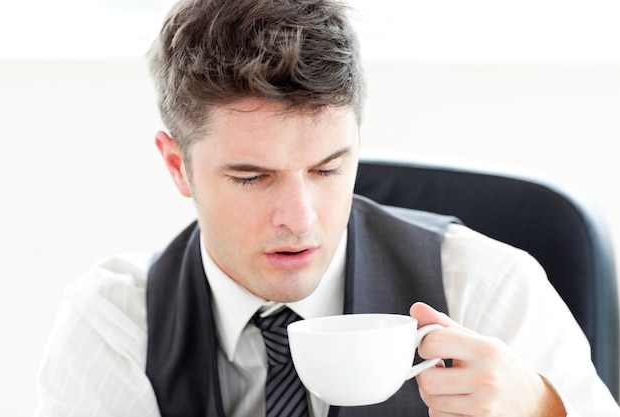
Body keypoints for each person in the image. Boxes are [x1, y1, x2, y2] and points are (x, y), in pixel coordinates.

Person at [34, 0, 620, 416]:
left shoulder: (487, 285)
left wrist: (544, 410)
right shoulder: (116, 321)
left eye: (327, 169)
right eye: (251, 177)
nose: (301, 218)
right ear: (175, 167)